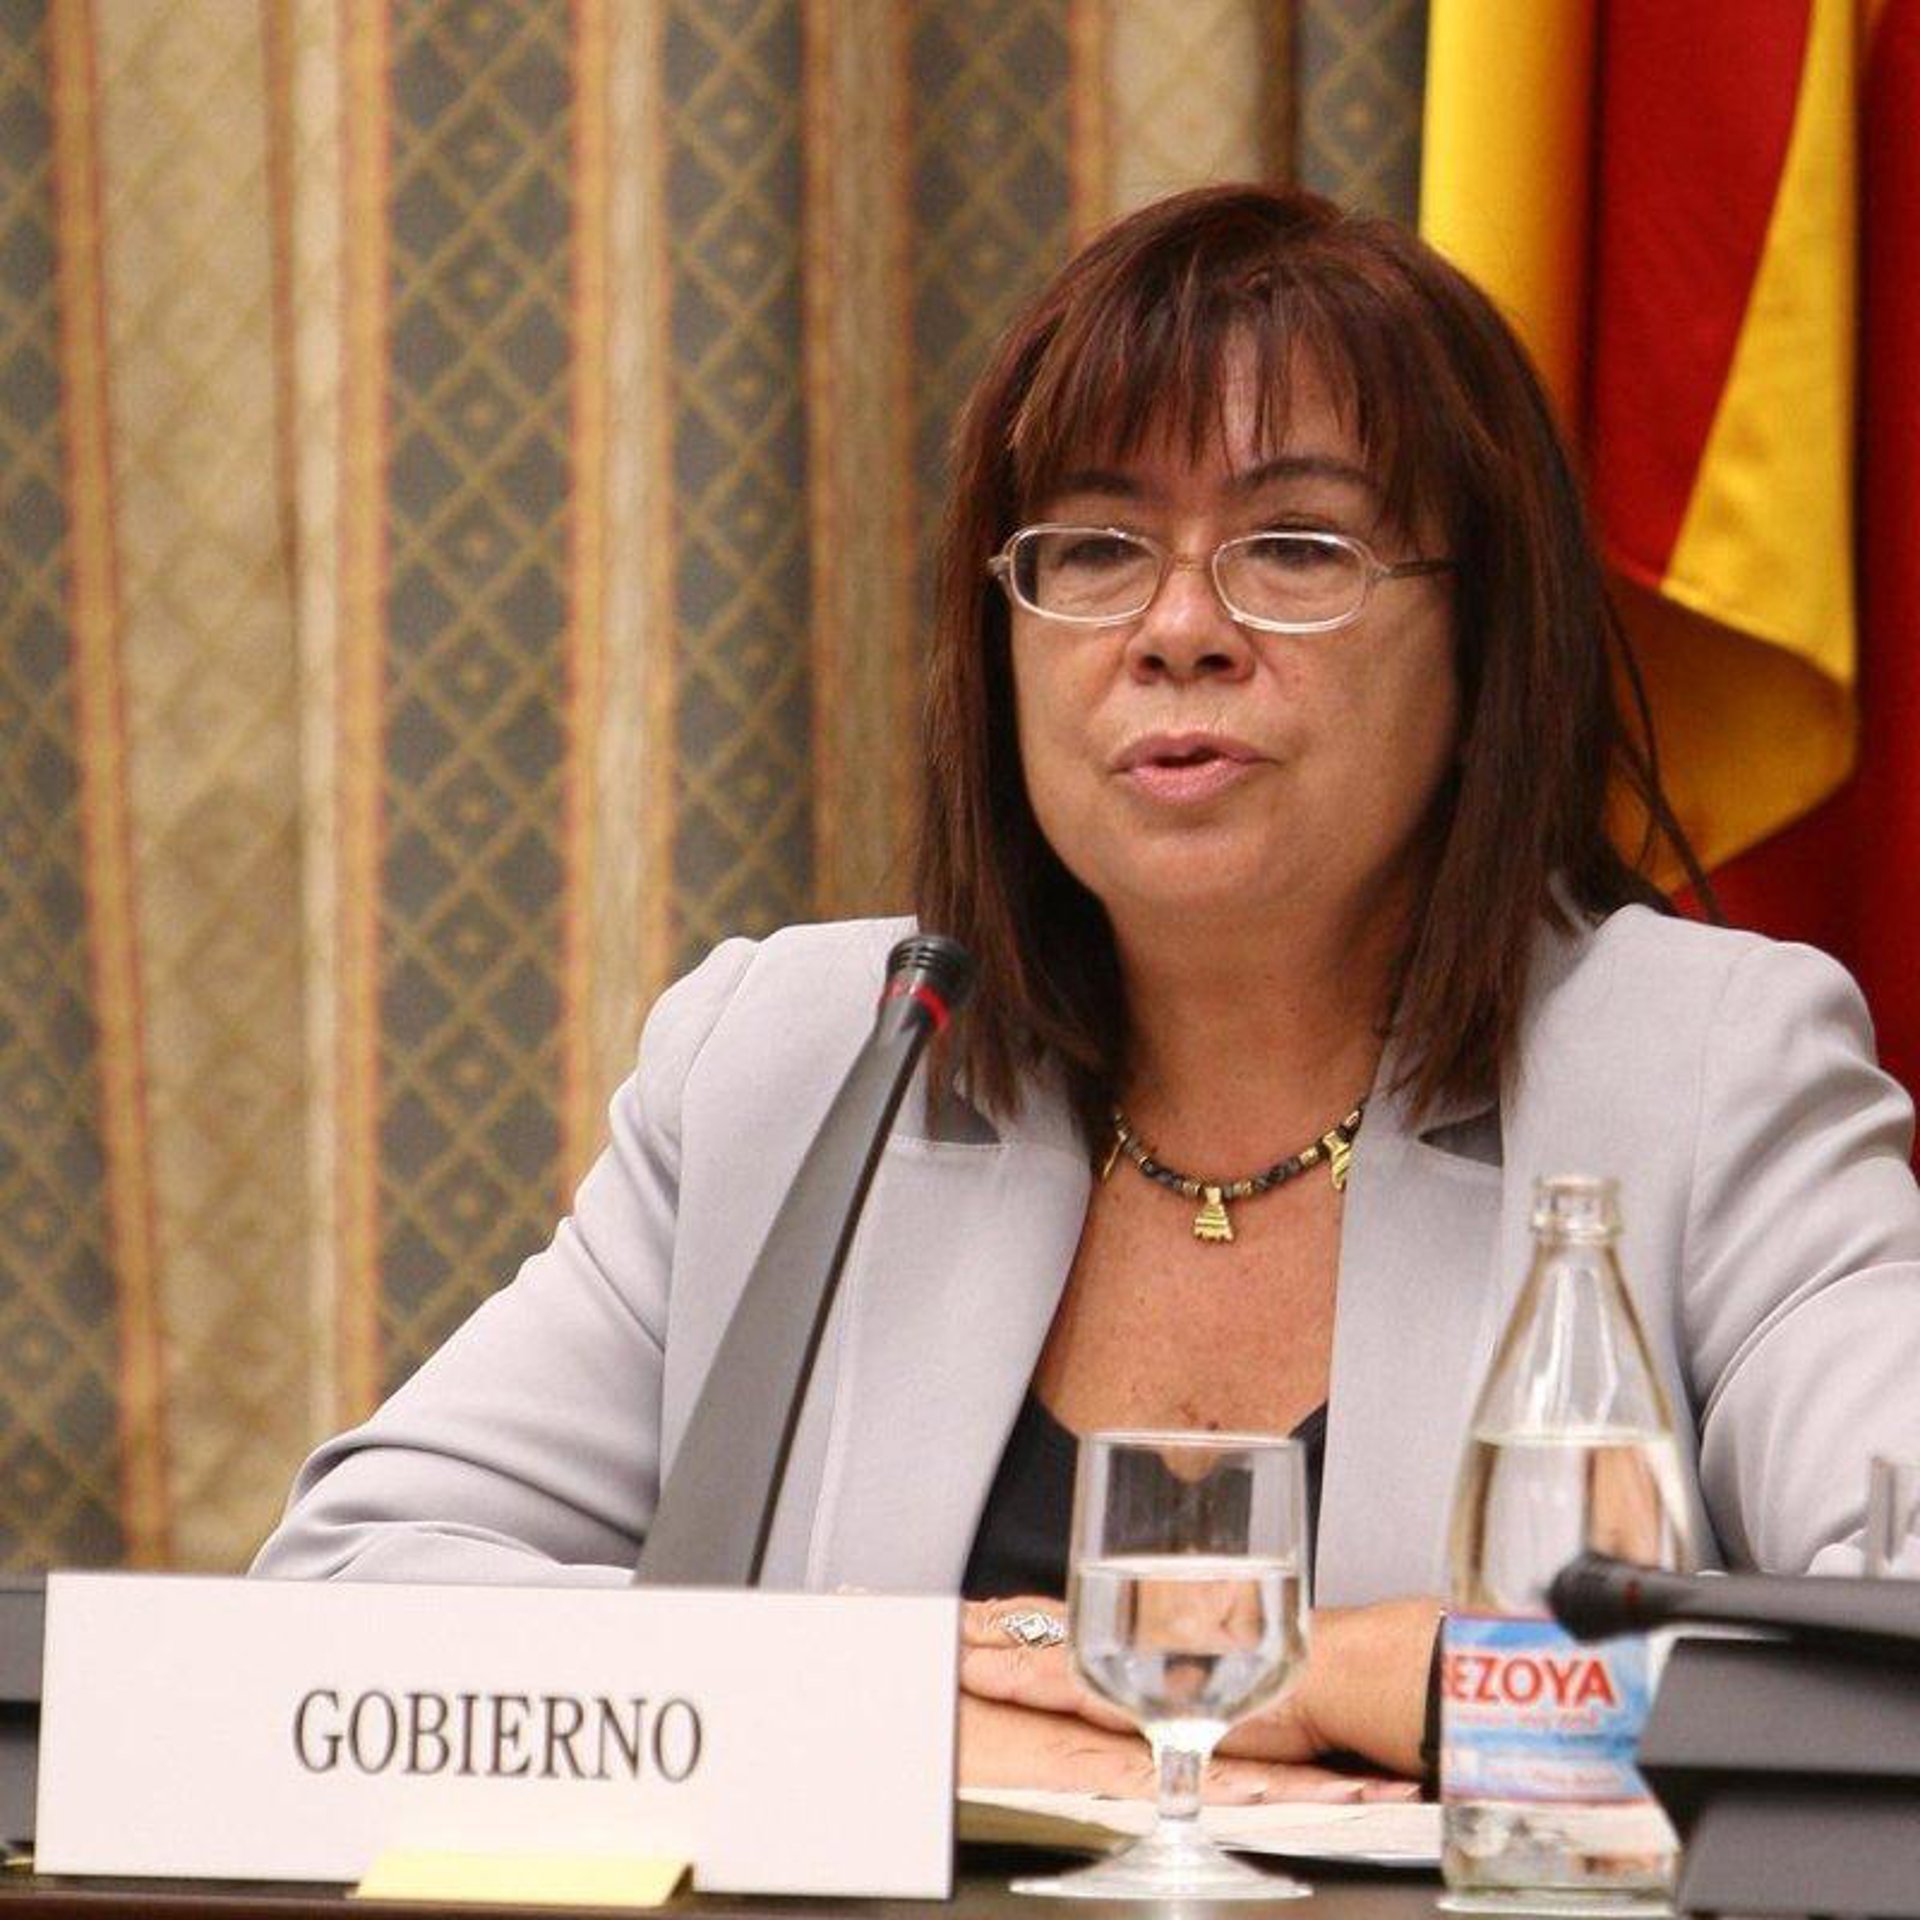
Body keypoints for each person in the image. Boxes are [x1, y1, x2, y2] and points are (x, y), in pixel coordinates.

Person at [254, 185, 1920, 1802]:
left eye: (1296, 547)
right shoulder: (805, 1061)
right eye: (1099, 550)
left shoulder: (1704, 1072)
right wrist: (896, 1718)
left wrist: (1296, 1672)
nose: (1179, 629)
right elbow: (345, 1593)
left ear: (1487, 646)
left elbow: (1891, 1655)